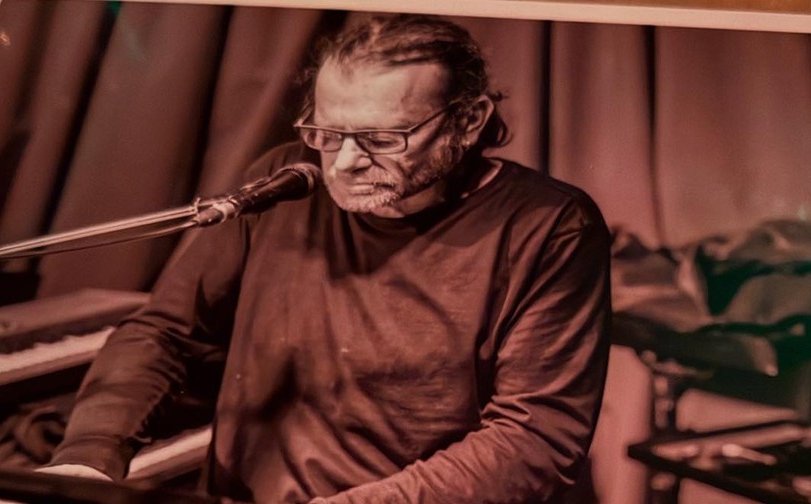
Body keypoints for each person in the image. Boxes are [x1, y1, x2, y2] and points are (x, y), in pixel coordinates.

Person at [44, 14, 611, 504]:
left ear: (468, 119)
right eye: (326, 132)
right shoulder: (286, 182)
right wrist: (91, 455)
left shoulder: (548, 226)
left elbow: (535, 437)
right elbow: (167, 333)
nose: (342, 164)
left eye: (382, 139)